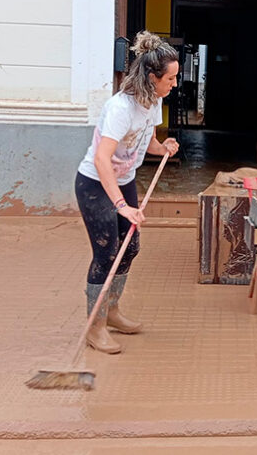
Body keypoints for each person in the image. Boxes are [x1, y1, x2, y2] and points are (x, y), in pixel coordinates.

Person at [74, 31, 180, 354]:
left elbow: (146, 141)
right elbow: (101, 159)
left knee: (130, 247)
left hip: (124, 180)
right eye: (170, 78)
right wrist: (121, 205)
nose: (174, 84)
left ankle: (112, 310)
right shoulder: (120, 108)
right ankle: (95, 327)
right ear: (152, 77)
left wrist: (163, 147)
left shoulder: (154, 101)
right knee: (106, 253)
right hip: (95, 184)